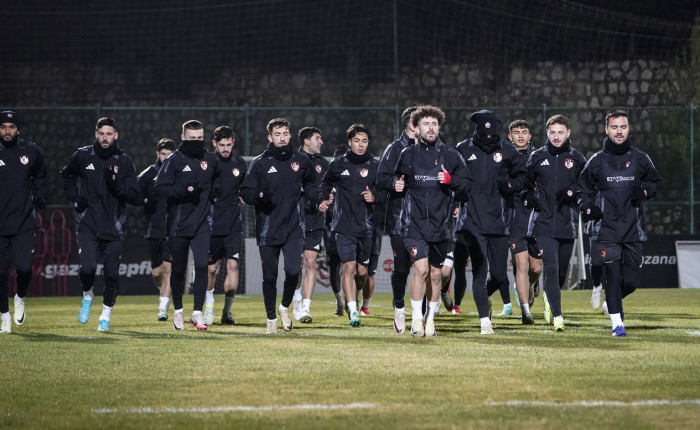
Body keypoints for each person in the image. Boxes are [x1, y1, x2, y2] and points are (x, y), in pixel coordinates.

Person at [577, 109, 661, 337]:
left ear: (628, 128)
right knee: (613, 277)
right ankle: (617, 325)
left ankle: (611, 303)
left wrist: (644, 190)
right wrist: (587, 206)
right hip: (607, 229)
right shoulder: (596, 161)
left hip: (633, 229)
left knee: (631, 281)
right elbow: (582, 189)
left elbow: (655, 182)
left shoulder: (640, 158)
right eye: (614, 127)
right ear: (606, 130)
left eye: (623, 127)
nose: (619, 131)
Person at [393, 105, 470, 337]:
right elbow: (393, 180)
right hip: (414, 224)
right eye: (426, 124)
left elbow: (467, 187)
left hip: (442, 225)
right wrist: (394, 185)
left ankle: (430, 320)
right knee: (421, 270)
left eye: (434, 124)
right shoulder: (407, 154)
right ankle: (416, 319)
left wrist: (451, 180)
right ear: (416, 128)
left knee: (436, 274)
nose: (431, 128)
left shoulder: (452, 155)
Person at [61, 117, 141, 332]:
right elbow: (66, 177)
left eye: (109, 134)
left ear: (116, 135)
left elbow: (135, 196)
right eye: (101, 133)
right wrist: (76, 198)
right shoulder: (82, 155)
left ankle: (105, 315)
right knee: (87, 268)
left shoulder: (124, 161)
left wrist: (117, 187)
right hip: (87, 223)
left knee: (112, 275)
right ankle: (87, 294)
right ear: (96, 134)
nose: (105, 138)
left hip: (113, 226)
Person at [240, 118, 317, 334]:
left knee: (293, 271)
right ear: (270, 137)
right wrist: (261, 196)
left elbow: (311, 182)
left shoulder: (301, 160)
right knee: (270, 277)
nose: (281, 138)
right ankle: (271, 318)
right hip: (267, 228)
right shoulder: (260, 163)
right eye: (277, 134)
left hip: (294, 227)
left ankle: (284, 307)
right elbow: (245, 192)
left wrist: (312, 196)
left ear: (290, 135)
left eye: (285, 133)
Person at [455, 110, 526, 335]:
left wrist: (511, 186)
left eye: (491, 134)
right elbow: (453, 178)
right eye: (483, 133)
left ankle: (484, 300)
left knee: (498, 275)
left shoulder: (507, 150)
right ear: (476, 130)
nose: (488, 138)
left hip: (500, 223)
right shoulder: (463, 149)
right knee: (479, 272)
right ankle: (485, 320)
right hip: (472, 223)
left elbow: (523, 176)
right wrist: (454, 199)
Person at [522, 114, 587, 332]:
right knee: (550, 268)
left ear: (568, 133)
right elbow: (525, 183)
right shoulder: (537, 157)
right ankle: (558, 317)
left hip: (566, 223)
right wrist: (527, 195)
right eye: (552, 132)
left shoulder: (577, 158)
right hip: (542, 222)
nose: (556, 136)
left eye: (561, 132)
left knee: (560, 273)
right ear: (547, 133)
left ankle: (550, 301)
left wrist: (572, 192)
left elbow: (586, 187)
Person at [154, 120, 220, 331]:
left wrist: (216, 192)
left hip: (202, 223)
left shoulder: (210, 158)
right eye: (192, 139)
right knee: (179, 269)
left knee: (202, 266)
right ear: (183, 137)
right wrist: (184, 190)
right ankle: (179, 312)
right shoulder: (174, 160)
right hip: (178, 225)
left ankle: (198, 313)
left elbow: (217, 179)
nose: (196, 142)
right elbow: (160, 187)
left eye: (199, 138)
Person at [318, 124, 380, 327]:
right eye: (356, 141)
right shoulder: (337, 164)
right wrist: (323, 198)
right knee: (348, 267)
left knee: (362, 273)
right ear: (349, 142)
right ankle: (353, 310)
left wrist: (375, 197)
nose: (360, 145)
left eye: (364, 141)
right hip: (343, 226)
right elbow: (325, 184)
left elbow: (385, 191)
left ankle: (355, 296)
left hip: (367, 226)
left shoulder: (375, 165)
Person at [0, 110, 46, 333]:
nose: (7, 131)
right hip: (0, 225)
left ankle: (19, 297)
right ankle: (4, 316)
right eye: (3, 127)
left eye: (11, 127)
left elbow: (40, 177)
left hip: (24, 222)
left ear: (18, 129)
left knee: (24, 268)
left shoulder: (31, 151)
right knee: (0, 274)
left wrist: (40, 196)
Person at [375, 106, 418, 333]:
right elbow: (380, 178)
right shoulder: (395, 149)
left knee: (427, 271)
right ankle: (399, 310)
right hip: (401, 219)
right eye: (422, 122)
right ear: (412, 125)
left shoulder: (432, 149)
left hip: (427, 220)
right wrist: (393, 183)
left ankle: (422, 317)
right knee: (401, 269)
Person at [204, 126, 247, 326]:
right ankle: (209, 307)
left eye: (228, 145)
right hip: (212, 224)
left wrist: (247, 195)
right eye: (221, 145)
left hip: (233, 225)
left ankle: (227, 311)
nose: (225, 149)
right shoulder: (207, 163)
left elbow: (247, 189)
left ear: (233, 143)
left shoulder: (239, 164)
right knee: (212, 269)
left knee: (233, 265)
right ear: (214, 144)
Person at [291, 126, 329, 324]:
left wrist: (328, 196)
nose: (321, 142)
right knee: (295, 266)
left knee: (311, 262)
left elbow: (328, 188)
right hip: (295, 220)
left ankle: (305, 308)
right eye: (317, 138)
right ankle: (296, 302)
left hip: (315, 220)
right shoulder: (293, 160)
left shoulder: (323, 163)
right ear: (306, 141)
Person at [507, 120, 542, 324]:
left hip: (536, 217)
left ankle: (531, 284)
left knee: (535, 268)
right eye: (516, 132)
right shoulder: (504, 158)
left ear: (530, 136)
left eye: (524, 132)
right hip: (515, 217)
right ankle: (525, 313)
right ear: (510, 136)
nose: (520, 136)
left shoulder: (538, 156)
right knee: (521, 264)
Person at [137, 138, 175, 321]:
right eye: (163, 154)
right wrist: (145, 200)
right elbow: (135, 194)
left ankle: (163, 308)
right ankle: (163, 292)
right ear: (157, 154)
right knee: (157, 272)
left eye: (169, 154)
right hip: (153, 229)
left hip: (173, 229)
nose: (166, 158)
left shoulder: (178, 174)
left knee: (169, 269)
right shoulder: (147, 175)